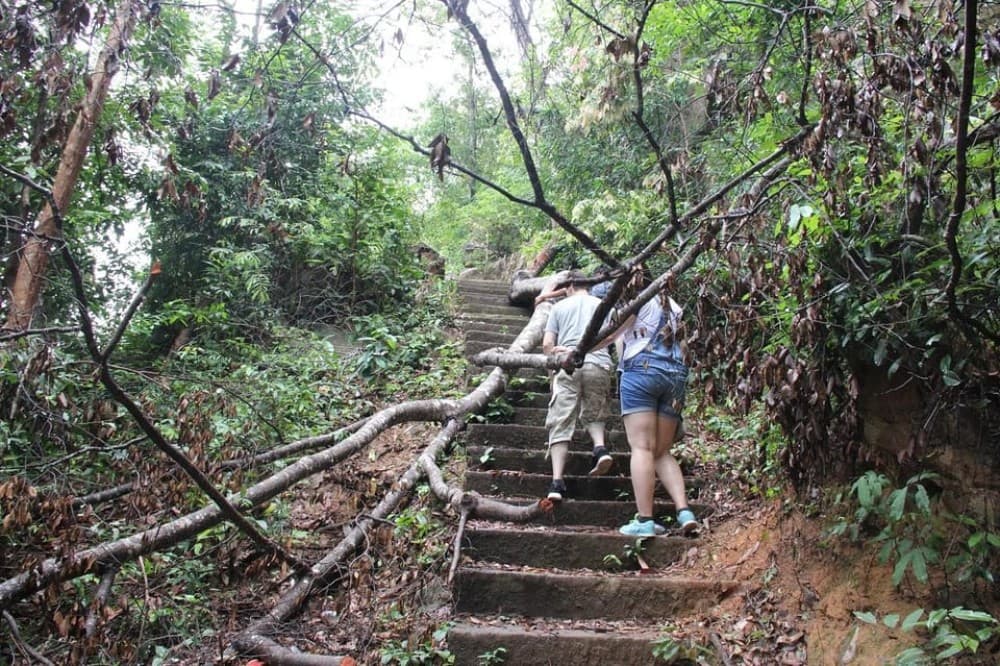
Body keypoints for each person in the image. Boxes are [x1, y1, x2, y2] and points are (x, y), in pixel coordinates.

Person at [604, 268, 697, 536]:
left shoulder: (637, 302)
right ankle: (684, 512)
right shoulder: (675, 308)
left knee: (642, 447)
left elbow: (610, 335)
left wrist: (578, 352)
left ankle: (645, 520)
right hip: (675, 377)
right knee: (661, 451)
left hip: (642, 372)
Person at [537, 270, 615, 501]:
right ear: (588, 286)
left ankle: (557, 483)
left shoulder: (559, 307)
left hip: (567, 365)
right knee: (595, 414)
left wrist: (555, 359)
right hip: (599, 364)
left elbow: (547, 344)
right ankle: (600, 448)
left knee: (561, 421)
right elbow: (611, 337)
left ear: (569, 286)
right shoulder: (602, 305)